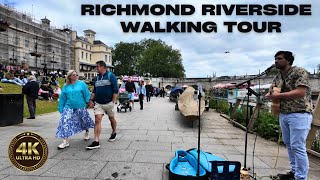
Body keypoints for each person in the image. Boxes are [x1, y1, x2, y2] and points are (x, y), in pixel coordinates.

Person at [265, 51, 313, 180]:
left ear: (288, 60)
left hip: (300, 113)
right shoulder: (278, 76)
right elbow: (273, 89)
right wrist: (270, 94)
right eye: (275, 59)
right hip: (284, 113)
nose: (276, 61)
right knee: (289, 145)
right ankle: (294, 172)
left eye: (279, 59)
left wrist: (278, 96)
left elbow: (300, 92)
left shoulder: (299, 72)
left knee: (297, 146)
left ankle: (301, 177)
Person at [56, 70, 94, 149]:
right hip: (68, 107)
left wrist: (89, 101)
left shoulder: (82, 84)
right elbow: (63, 97)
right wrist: (61, 108)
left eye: (76, 75)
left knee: (84, 120)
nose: (76, 76)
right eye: (74, 75)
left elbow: (86, 94)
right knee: (64, 122)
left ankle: (87, 131)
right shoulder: (65, 86)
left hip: (80, 106)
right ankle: (65, 141)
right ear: (69, 76)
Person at [86, 61, 119, 149]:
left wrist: (113, 101)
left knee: (111, 118)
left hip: (109, 103)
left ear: (103, 67)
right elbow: (95, 91)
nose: (96, 68)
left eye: (97, 67)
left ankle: (114, 132)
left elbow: (115, 89)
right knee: (97, 119)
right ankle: (96, 141)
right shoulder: (96, 78)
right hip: (99, 103)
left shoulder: (110, 76)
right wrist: (91, 100)